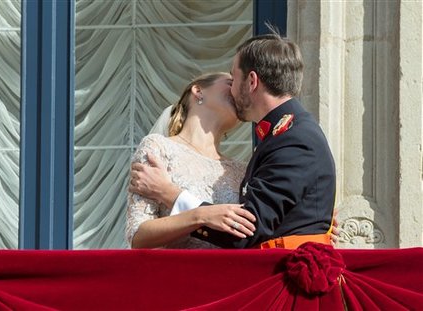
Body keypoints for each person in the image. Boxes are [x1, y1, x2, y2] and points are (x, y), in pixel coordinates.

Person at [130, 31, 337, 249]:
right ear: (197, 92)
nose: (231, 89)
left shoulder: (292, 139)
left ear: (252, 81)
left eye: (233, 77)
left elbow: (247, 230)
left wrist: (169, 193)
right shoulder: (282, 135)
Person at [126, 72, 256, 249]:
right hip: (179, 272)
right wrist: (201, 215)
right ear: (198, 91)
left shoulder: (241, 170)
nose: (237, 90)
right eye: (230, 82)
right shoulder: (158, 148)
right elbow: (137, 235)